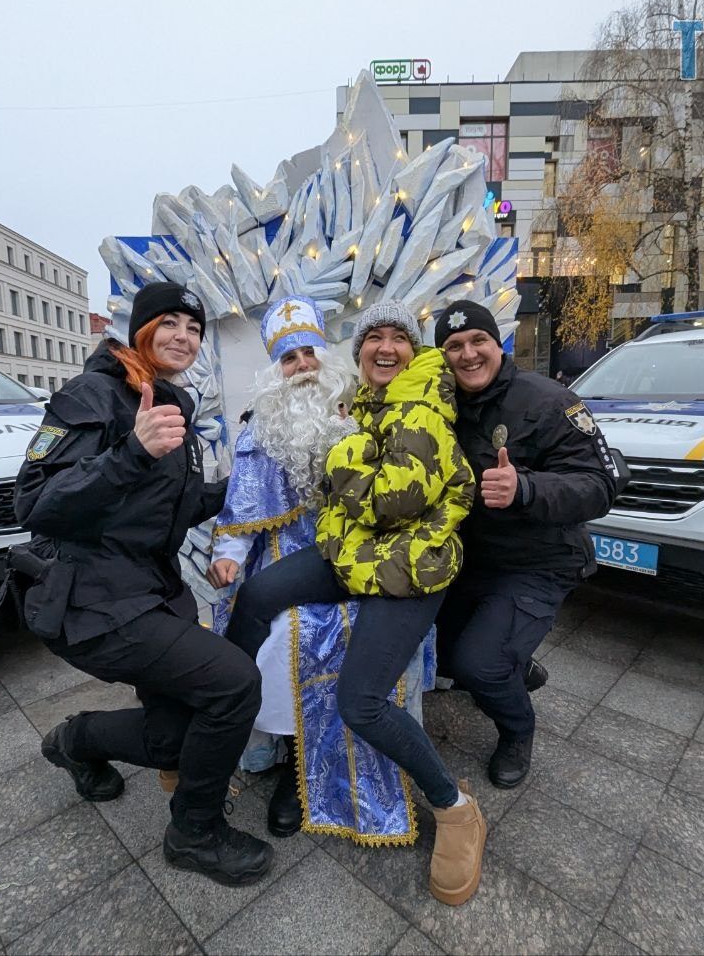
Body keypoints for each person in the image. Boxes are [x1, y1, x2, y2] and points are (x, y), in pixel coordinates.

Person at [224, 301, 487, 906]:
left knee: (360, 702)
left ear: (414, 349)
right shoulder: (364, 402)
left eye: (400, 337)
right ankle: (219, 716)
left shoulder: (418, 404)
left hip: (409, 567)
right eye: (375, 337)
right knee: (257, 594)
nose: (386, 348)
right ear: (360, 349)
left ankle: (455, 808)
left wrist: (343, 452)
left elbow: (396, 500)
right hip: (355, 552)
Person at [11, 281, 273, 887]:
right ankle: (194, 832)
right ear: (141, 330)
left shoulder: (164, 402)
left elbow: (165, 510)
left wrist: (255, 486)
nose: (183, 336)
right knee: (234, 684)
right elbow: (34, 502)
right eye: (170, 323)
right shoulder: (94, 394)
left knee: (175, 738)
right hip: (94, 603)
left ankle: (76, 740)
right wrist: (131, 450)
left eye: (194, 327)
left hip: (149, 591)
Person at [207, 295, 430, 845]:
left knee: (362, 632)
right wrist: (227, 558)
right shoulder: (259, 430)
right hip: (284, 555)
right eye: (289, 359)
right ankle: (293, 765)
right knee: (286, 634)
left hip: (368, 557)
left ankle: (366, 752)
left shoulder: (367, 411)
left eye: (309, 352)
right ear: (275, 372)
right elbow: (240, 510)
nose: (303, 365)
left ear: (327, 358)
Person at [433, 299, 622, 789]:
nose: (468, 354)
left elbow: (600, 485)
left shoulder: (548, 400)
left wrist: (527, 488)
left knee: (480, 665)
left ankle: (518, 730)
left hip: (539, 561)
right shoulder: (441, 407)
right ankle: (515, 662)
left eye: (478, 341)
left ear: (499, 344)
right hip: (473, 561)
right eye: (454, 346)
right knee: (440, 652)